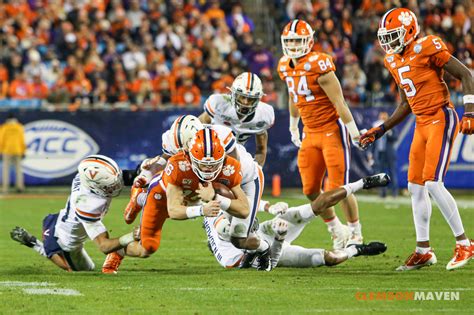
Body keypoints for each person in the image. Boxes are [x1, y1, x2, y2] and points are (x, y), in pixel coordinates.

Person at [360, 8, 474, 271]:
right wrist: (381, 129)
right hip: (421, 123)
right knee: (415, 187)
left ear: (410, 31)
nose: (388, 42)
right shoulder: (393, 60)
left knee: (434, 183)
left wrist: (469, 112)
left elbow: (466, 74)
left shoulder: (427, 46)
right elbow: (405, 104)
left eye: (394, 35)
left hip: (441, 116)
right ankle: (423, 249)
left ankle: (464, 242)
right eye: (385, 37)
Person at [120, 115, 279, 271]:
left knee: (238, 236)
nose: (182, 153)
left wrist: (215, 197)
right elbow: (164, 168)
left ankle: (262, 246)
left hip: (242, 179)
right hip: (211, 181)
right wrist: (144, 175)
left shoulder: (228, 160)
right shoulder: (177, 155)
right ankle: (140, 198)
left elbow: (242, 208)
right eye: (180, 150)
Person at [102, 129, 251, 273]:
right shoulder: (178, 165)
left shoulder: (230, 166)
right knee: (147, 248)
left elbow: (244, 210)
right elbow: (173, 210)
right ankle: (120, 249)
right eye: (203, 164)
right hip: (161, 198)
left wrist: (215, 198)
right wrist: (201, 210)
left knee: (223, 202)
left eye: (213, 164)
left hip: (195, 198)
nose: (208, 169)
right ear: (189, 157)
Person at [277, 19, 365, 249]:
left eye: (298, 40)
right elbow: (293, 96)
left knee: (339, 189)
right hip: (310, 133)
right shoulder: (285, 66)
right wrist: (293, 125)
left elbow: (339, 102)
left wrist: (354, 133)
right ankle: (336, 229)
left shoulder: (320, 63)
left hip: (331, 131)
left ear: (309, 41)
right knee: (310, 190)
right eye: (290, 41)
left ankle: (355, 232)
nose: (294, 45)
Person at [205, 173, 390, 270]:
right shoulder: (232, 248)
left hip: (260, 233)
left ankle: (362, 183)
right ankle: (355, 250)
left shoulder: (218, 206)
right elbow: (271, 259)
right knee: (325, 258)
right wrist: (279, 238)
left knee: (310, 209)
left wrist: (270, 207)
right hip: (262, 250)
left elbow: (247, 204)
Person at [10, 155, 136, 272]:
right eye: (110, 186)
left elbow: (130, 176)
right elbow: (104, 246)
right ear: (94, 186)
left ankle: (42, 246)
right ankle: (35, 244)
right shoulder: (88, 205)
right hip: (66, 241)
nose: (116, 187)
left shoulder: (88, 178)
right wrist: (131, 236)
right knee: (84, 269)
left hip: (63, 218)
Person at [198, 72, 274, 167]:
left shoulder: (263, 115)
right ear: (233, 93)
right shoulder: (219, 104)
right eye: (242, 97)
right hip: (208, 153)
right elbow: (197, 125)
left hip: (234, 156)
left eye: (250, 99)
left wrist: (257, 170)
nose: (245, 102)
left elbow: (261, 150)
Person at [370, 111, 398, 198]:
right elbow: (373, 141)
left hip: (389, 153)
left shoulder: (391, 126)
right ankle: (383, 193)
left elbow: (395, 138)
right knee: (380, 173)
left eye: (384, 117)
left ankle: (394, 193)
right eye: (381, 117)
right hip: (380, 152)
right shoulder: (376, 127)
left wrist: (388, 131)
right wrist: (371, 153)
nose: (382, 119)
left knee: (392, 172)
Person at [0, 112, 26, 193]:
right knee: (18, 170)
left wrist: (0, 151)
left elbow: (1, 140)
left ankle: (5, 188)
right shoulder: (19, 127)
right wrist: (23, 151)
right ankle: (20, 187)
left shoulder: (4, 127)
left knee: (5, 170)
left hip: (7, 150)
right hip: (17, 150)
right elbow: (22, 140)